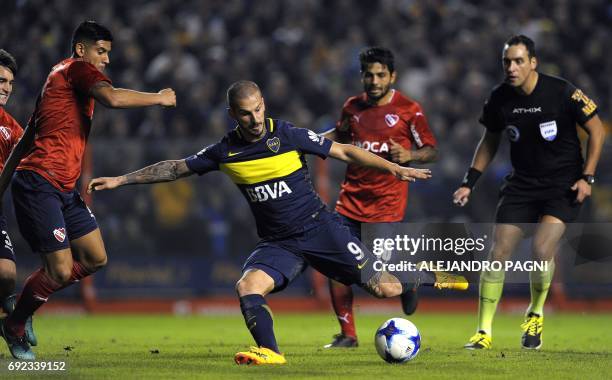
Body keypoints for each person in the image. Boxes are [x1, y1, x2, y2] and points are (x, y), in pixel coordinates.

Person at [87, 80, 467, 365]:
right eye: (244, 113)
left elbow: (345, 150)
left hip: (320, 229)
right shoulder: (225, 151)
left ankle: (419, 275)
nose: (254, 119)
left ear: (262, 104)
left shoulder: (286, 134)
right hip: (278, 242)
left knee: (384, 290)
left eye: (257, 109)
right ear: (232, 114)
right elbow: (174, 169)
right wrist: (121, 179)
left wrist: (394, 168)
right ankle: (270, 352)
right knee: (247, 286)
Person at [0, 21, 176, 361]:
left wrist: (2, 183)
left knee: (96, 257)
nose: (106, 59)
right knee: (62, 270)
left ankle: (23, 305)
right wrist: (158, 98)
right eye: (101, 51)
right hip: (40, 182)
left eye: (108, 53)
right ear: (81, 50)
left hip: (63, 186)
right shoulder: (76, 70)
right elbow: (111, 97)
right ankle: (15, 324)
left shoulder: (57, 82)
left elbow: (25, 139)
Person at [453, 35, 605, 350]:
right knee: (498, 253)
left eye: (519, 61)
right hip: (522, 184)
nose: (512, 67)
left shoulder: (561, 91)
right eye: (507, 61)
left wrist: (587, 177)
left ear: (533, 62)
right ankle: (483, 332)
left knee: (540, 250)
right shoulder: (499, 98)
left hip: (562, 185)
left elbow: (597, 129)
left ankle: (534, 314)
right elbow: (490, 140)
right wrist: (470, 181)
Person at [322, 47, 438, 348]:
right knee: (337, 267)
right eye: (369, 75)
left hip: (385, 209)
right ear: (362, 75)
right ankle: (348, 335)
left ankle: (412, 279)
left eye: (380, 75)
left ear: (392, 76)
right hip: (348, 202)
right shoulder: (352, 107)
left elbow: (431, 149)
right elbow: (340, 135)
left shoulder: (409, 109)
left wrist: (411, 155)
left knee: (378, 281)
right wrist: (307, 141)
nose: (374, 81)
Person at [0, 49, 37, 348]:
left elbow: (35, 158)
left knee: (6, 274)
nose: (6, 88)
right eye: (0, 80)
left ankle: (9, 316)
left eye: (10, 83)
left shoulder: (11, 128)